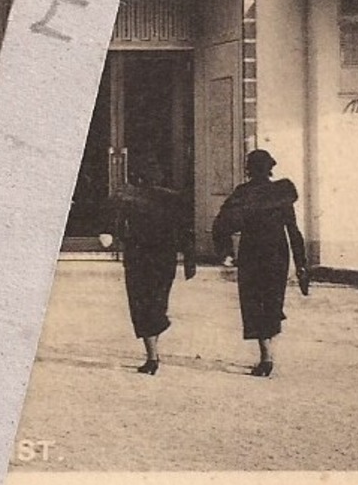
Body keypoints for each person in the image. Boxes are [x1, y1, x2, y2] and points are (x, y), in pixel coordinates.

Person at [212, 148, 310, 376]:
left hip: (252, 251)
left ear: (249, 170)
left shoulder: (243, 194)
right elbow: (293, 230)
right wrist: (301, 263)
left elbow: (221, 224)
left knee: (254, 300)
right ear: (270, 169)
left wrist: (225, 252)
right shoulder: (281, 193)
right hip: (277, 252)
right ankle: (268, 354)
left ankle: (265, 355)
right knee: (272, 300)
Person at [105, 157, 196, 375]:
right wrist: (190, 262)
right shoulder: (173, 200)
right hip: (164, 258)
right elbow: (185, 231)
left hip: (138, 257)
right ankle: (157, 333)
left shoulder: (128, 197)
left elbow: (115, 222)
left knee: (140, 305)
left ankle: (152, 355)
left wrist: (112, 235)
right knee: (157, 301)